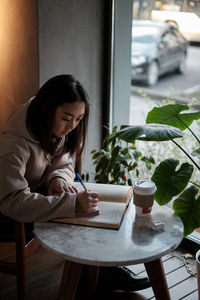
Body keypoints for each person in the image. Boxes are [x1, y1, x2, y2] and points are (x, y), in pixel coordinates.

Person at [0, 74, 150, 292]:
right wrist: (72, 204)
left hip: (34, 195)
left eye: (79, 119)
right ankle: (93, 275)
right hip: (7, 214)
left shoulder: (48, 125)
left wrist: (58, 178)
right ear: (46, 108)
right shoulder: (13, 145)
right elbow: (12, 202)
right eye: (67, 117)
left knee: (97, 207)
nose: (72, 126)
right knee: (81, 210)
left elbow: (63, 161)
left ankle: (98, 273)